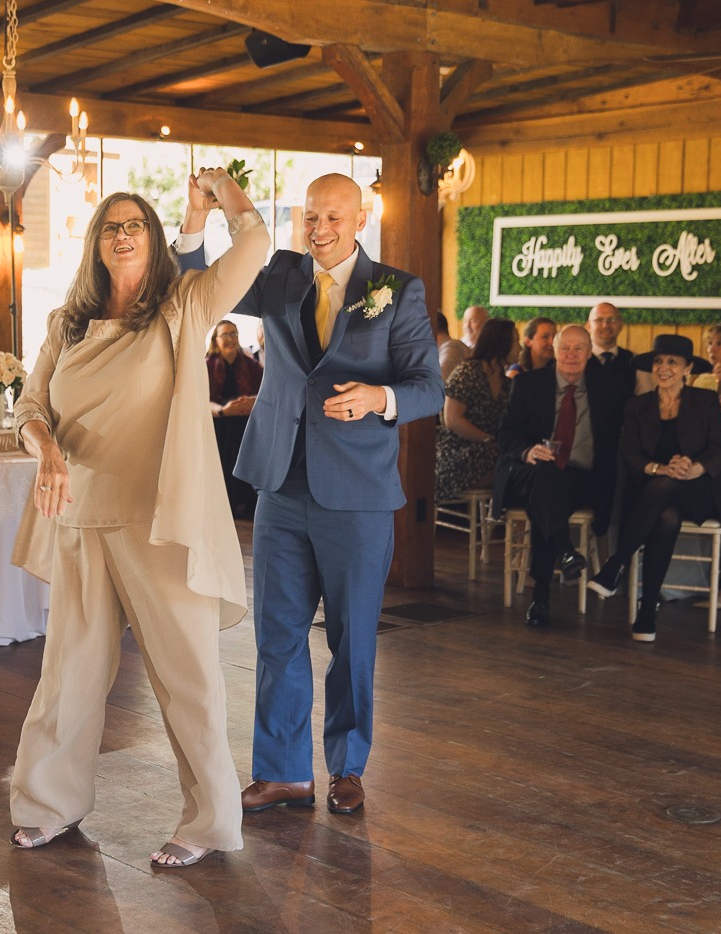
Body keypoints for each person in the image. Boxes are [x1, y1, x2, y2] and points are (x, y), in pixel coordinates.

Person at [7, 170, 268, 869]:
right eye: (112, 227)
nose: (124, 236)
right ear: (97, 244)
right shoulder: (66, 324)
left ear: (153, 241)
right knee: (68, 675)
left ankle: (210, 824)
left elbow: (257, 243)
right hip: (79, 517)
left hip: (160, 521)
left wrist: (219, 195)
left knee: (188, 678)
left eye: (136, 226)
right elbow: (29, 409)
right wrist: (49, 454)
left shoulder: (183, 306)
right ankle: (47, 805)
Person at [179, 173, 443, 816]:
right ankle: (283, 772)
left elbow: (427, 388)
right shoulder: (282, 274)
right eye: (311, 218)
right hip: (281, 483)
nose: (320, 230)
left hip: (357, 492)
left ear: (359, 221)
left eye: (333, 218)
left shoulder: (396, 291)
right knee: (278, 634)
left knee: (352, 640)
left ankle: (347, 767)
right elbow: (197, 286)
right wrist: (194, 216)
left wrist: (380, 399)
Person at [586, 335, 721, 642]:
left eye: (672, 362)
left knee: (665, 492)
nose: (664, 367)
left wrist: (692, 468)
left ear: (687, 369)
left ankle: (617, 563)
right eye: (659, 361)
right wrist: (660, 469)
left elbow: (717, 452)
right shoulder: (637, 406)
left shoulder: (704, 401)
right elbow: (629, 453)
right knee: (666, 517)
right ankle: (647, 610)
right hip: (655, 493)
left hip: (702, 490)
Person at [493, 325, 625, 628]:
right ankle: (563, 553)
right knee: (546, 479)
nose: (571, 355)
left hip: (582, 478)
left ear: (589, 353)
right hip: (529, 470)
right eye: (565, 348)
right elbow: (506, 437)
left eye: (579, 348)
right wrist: (527, 450)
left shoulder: (607, 388)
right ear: (554, 350)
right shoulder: (528, 384)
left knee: (547, 496)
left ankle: (543, 593)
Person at [437, 318, 517, 501]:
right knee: (510, 464)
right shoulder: (468, 371)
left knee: (518, 461)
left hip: (491, 451)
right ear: (501, 343)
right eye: (516, 341)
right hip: (459, 450)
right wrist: (488, 440)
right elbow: (452, 420)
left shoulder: (508, 384)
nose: (519, 348)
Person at [207, 319, 264, 517]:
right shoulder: (207, 365)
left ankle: (247, 504)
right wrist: (224, 410)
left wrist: (249, 403)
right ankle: (224, 505)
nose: (231, 339)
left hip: (245, 422)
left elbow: (264, 394)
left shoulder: (251, 365)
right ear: (216, 339)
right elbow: (201, 400)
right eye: (225, 335)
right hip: (218, 422)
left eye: (234, 334)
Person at [587, 302, 636, 396]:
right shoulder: (577, 360)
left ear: (621, 325)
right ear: (589, 326)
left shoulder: (633, 360)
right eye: (599, 320)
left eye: (612, 320)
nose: (605, 325)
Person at [439, 304, 488, 383]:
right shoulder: (457, 346)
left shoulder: (491, 348)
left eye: (473, 321)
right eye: (465, 321)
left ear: (486, 324)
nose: (467, 326)